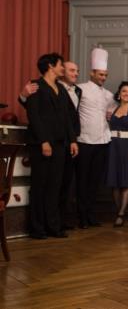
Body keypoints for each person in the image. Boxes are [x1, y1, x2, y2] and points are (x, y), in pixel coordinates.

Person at [19, 60, 82, 230]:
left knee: (55, 186)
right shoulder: (36, 85)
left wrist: (73, 140)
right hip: (42, 144)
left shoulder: (60, 88)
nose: (62, 68)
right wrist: (44, 141)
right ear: (50, 66)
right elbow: (34, 116)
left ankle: (52, 226)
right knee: (40, 185)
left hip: (61, 144)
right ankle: (37, 227)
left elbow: (68, 117)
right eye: (61, 64)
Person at [76, 48, 115, 229]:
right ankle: (81, 216)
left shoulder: (108, 95)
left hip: (102, 142)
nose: (103, 78)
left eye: (105, 75)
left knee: (95, 182)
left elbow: (113, 112)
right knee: (82, 180)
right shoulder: (80, 90)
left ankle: (91, 214)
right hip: (84, 141)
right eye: (100, 74)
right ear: (92, 73)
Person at [106, 81, 128, 227]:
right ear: (119, 94)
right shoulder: (112, 110)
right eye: (124, 91)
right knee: (114, 182)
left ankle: (121, 212)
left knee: (126, 180)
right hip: (113, 146)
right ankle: (118, 209)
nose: (127, 93)